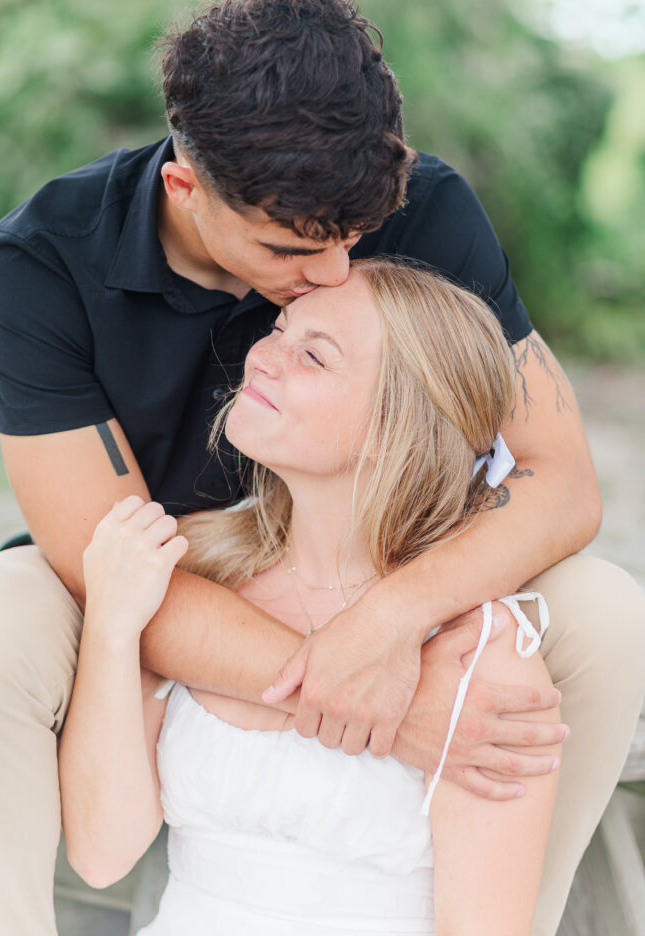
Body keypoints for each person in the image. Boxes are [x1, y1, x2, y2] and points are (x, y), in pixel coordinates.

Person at [0, 0, 643, 936]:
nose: (337, 272)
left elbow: (560, 484)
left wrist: (387, 622)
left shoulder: (419, 204)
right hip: (159, 565)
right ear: (185, 187)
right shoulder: (40, 262)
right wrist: (379, 706)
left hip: (381, 556)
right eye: (294, 251)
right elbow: (105, 561)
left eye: (359, 236)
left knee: (605, 611)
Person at [59, 259, 563, 935]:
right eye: (280, 328)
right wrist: (115, 627)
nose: (264, 356)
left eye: (313, 356)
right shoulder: (197, 576)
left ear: (394, 427)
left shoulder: (480, 653)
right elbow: (100, 852)